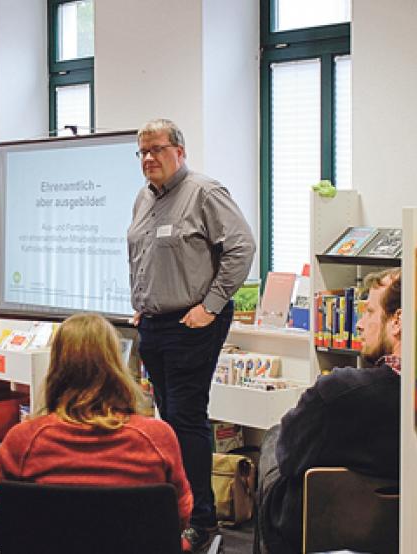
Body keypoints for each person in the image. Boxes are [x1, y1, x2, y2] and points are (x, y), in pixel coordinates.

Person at [127, 118, 256, 551]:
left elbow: (241, 247)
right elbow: (144, 257)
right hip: (155, 324)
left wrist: (210, 306)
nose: (149, 159)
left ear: (179, 151)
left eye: (157, 150)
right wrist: (142, 306)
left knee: (186, 417)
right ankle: (181, 507)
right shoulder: (143, 199)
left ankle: (202, 519)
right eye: (142, 152)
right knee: (169, 421)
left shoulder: (204, 192)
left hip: (193, 323)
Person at [0, 313, 192, 552]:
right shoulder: (157, 437)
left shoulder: (23, 441)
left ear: (56, 367)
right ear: (116, 365)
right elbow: (180, 517)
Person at [256, 268, 402, 554]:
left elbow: (289, 459)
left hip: (310, 532)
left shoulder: (337, 392)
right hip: (395, 533)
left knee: (275, 440)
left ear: (397, 322)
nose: (359, 324)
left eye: (370, 312)